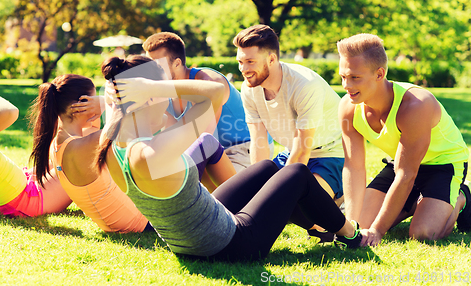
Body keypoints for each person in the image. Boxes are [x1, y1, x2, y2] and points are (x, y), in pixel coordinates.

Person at [96, 55, 363, 262]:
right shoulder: (152, 153)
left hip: (189, 242)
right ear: (148, 97)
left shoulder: (110, 145)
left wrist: (123, 94)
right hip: (233, 244)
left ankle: (319, 225)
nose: (167, 104)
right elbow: (215, 93)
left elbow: (121, 114)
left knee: (268, 167)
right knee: (296, 174)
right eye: (161, 97)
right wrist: (156, 86)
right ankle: (351, 235)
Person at [337, 33, 471, 246]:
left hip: (442, 165)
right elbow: (353, 166)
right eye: (343, 76)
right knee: (362, 223)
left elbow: (406, 174)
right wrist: (352, 226)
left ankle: (462, 196)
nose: (346, 85)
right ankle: (412, 203)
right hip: (401, 161)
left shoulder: (415, 105)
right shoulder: (348, 107)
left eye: (354, 77)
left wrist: (378, 231)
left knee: (423, 233)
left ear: (379, 74)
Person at [233, 25, 345, 208]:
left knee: (302, 207)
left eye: (250, 61)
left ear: (271, 59)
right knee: (253, 195)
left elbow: (302, 150)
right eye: (240, 62)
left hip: (330, 153)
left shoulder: (305, 85)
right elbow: (259, 142)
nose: (243, 69)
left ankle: (340, 198)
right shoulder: (249, 88)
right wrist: (258, 186)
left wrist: (275, 195)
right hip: (290, 152)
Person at [29, 74, 149, 233]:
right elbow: (133, 116)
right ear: (81, 105)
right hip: (140, 223)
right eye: (92, 99)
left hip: (121, 222)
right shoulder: (84, 146)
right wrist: (105, 102)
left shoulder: (58, 144)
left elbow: (95, 127)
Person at [142, 32, 273, 173]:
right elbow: (173, 134)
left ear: (177, 63)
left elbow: (204, 139)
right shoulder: (164, 90)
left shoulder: (208, 82)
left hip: (243, 149)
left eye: (158, 66)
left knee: (188, 181)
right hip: (212, 152)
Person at [0, 64, 72, 217]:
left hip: (19, 191)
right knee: (82, 160)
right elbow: (9, 112)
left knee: (61, 154)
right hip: (25, 202)